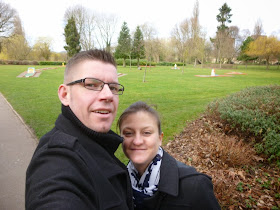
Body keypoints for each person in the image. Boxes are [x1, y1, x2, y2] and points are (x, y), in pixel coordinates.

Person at [25, 49, 134, 210]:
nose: (108, 95)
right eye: (91, 84)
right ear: (64, 95)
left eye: (113, 87)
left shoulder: (95, 144)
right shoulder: (56, 161)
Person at [117, 101, 221, 210]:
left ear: (160, 138)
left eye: (146, 132)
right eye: (128, 133)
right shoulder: (116, 182)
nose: (137, 141)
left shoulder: (194, 186)